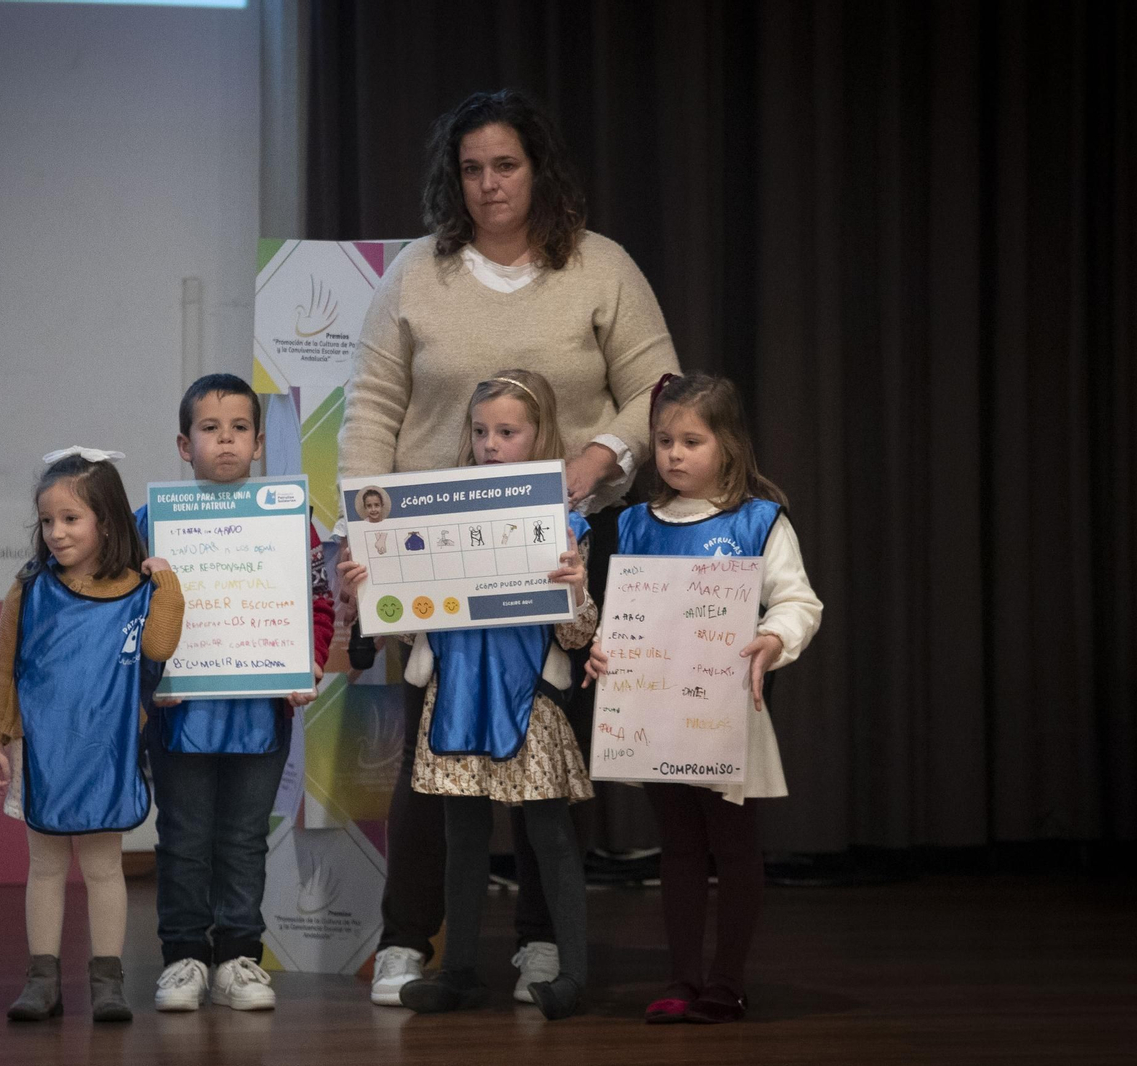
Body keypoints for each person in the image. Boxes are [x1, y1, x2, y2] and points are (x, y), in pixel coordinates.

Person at [338, 87, 680, 1006]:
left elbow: (660, 383)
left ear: (539, 171)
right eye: (472, 169)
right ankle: (412, 940)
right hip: (428, 556)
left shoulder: (600, 267)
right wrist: (360, 529)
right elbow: (371, 408)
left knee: (543, 750)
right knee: (429, 753)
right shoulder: (416, 272)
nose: (489, 185)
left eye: (506, 165)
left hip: (554, 549)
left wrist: (601, 455)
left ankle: (539, 943)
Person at [341, 370, 597, 1020]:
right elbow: (406, 619)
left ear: (539, 438)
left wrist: (573, 586)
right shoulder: (433, 516)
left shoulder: (564, 524)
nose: (491, 444)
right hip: (454, 694)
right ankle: (457, 971)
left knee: (549, 834)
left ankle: (571, 971)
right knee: (461, 835)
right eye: (481, 431)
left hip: (529, 699)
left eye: (507, 432)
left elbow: (578, 633)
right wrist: (370, 587)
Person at [584, 372, 823, 1024]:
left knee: (734, 846)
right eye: (664, 440)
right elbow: (624, 614)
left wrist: (775, 637)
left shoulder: (757, 522)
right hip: (656, 717)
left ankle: (728, 980)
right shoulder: (634, 524)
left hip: (725, 716)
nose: (674, 454)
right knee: (680, 849)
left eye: (691, 440)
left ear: (729, 445)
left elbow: (799, 601)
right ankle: (681, 979)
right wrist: (604, 647)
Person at [136, 374, 335, 1013]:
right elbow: (127, 616)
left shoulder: (287, 519)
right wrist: (149, 680)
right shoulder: (151, 524)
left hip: (260, 708)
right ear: (183, 443)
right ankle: (184, 958)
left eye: (240, 429)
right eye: (210, 428)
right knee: (185, 835)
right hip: (178, 711)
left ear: (258, 445)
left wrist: (307, 660)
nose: (225, 441)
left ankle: (239, 958)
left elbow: (318, 601)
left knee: (246, 835)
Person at [0, 448, 186, 1022]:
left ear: (108, 521)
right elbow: (3, 666)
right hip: (41, 751)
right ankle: (42, 979)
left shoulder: (137, 592)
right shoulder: (29, 588)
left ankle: (108, 983)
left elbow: (160, 648)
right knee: (45, 867)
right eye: (48, 521)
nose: (56, 533)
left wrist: (165, 582)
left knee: (103, 869)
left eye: (71, 519)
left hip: (106, 750)